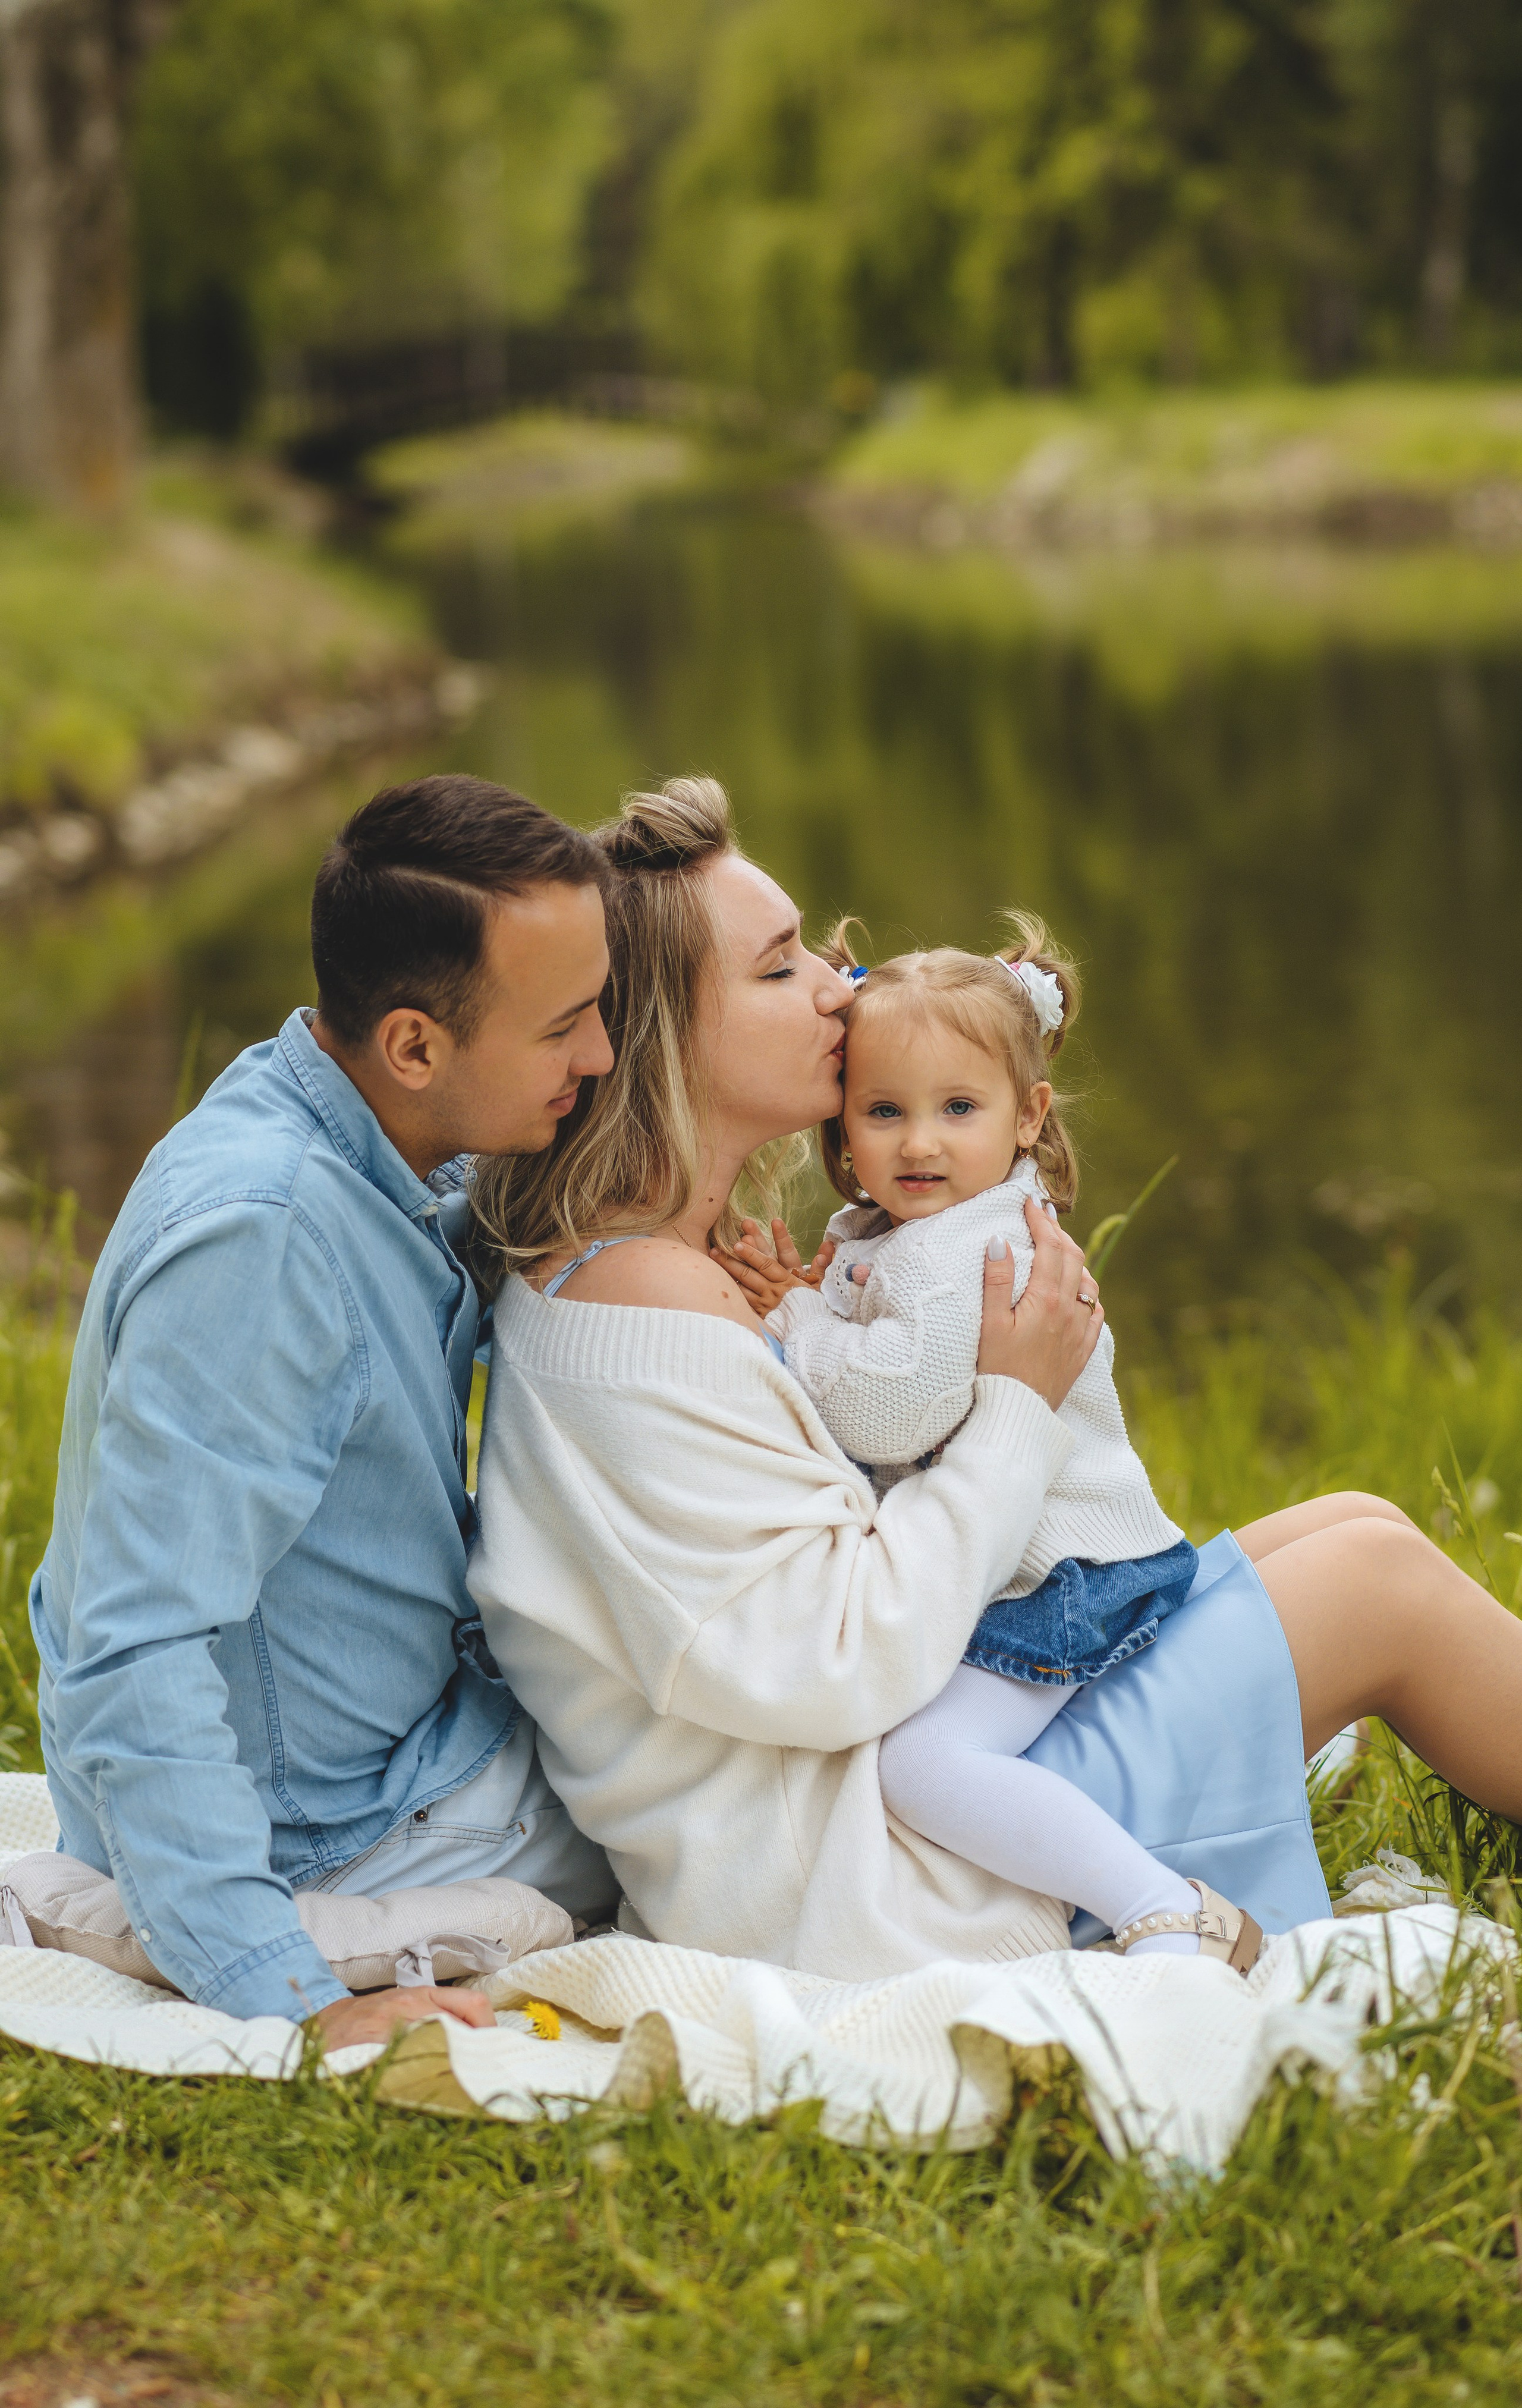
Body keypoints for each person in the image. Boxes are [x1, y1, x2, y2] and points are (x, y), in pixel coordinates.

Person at [466, 775, 1522, 1981]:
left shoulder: (644, 1269)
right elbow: (843, 1659)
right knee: (1376, 1581)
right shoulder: (646, 1304)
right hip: (882, 1871)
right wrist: (1016, 1401)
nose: (834, 984)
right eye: (777, 969)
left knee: (1352, 1522)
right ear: (662, 1033)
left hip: (879, 1788)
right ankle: (1163, 1887)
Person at [32, 774, 618, 2048]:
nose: (603, 1056)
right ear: (414, 1044)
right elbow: (134, 1645)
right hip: (333, 1829)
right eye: (567, 1024)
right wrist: (279, 1997)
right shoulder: (263, 1239)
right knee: (727, 1788)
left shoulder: (343, 1120)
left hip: (384, 1740)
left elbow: (413, 1272)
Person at [754, 917, 1248, 1964]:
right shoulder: (899, 1233)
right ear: (842, 1127)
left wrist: (795, 1325)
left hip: (1060, 1575)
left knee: (921, 1766)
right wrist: (814, 1299)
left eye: (958, 1108)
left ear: (1029, 1118)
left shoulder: (971, 1250)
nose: (919, 1142)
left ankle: (1164, 1906)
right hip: (1027, 1558)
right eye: (884, 1110)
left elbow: (890, 1411)